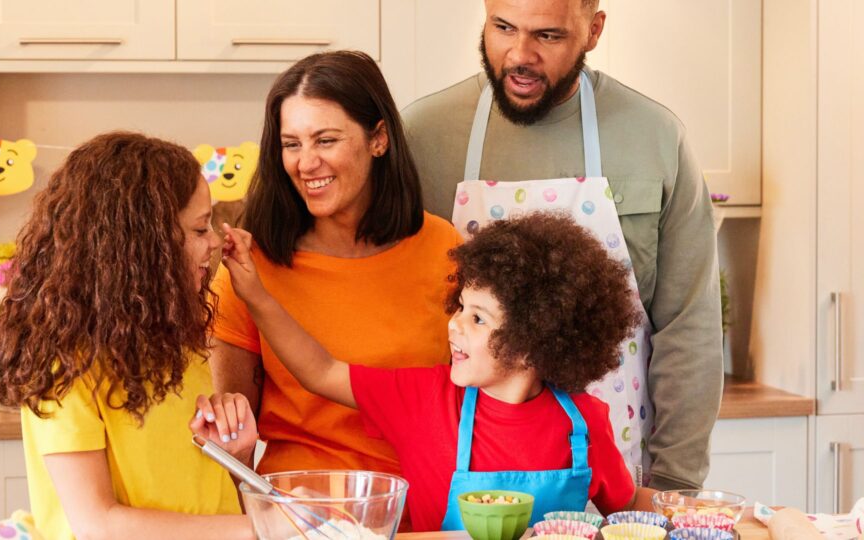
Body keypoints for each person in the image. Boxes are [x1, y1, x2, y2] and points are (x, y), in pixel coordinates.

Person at [401, 0, 724, 491]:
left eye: (548, 36)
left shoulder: (654, 138)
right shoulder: (422, 135)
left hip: (617, 484)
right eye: (502, 27)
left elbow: (689, 326)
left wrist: (673, 486)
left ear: (593, 30)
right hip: (457, 482)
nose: (519, 55)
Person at [202, 212, 656, 532]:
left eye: (478, 318)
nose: (454, 325)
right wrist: (255, 294)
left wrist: (690, 509)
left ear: (534, 340)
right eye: (460, 307)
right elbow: (320, 371)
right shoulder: (423, 400)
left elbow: (630, 507)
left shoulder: (584, 423)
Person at [0, 132, 254, 540]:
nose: (215, 241)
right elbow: (97, 524)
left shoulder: (177, 342)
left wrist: (238, 457)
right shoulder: (67, 365)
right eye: (201, 229)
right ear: (146, 246)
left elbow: (211, 507)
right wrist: (261, 527)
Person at [209, 50, 461, 478]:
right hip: (295, 504)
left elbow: (475, 407)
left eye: (325, 140)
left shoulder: (443, 247)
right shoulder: (250, 268)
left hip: (422, 501)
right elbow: (230, 444)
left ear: (378, 139)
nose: (306, 163)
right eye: (291, 144)